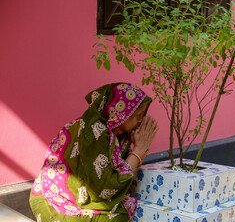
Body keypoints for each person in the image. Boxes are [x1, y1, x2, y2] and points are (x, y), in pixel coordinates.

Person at [29, 83, 159, 222]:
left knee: (126, 206)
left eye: (143, 114)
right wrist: (139, 149)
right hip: (54, 202)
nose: (141, 120)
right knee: (119, 215)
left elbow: (121, 173)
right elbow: (106, 188)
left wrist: (139, 147)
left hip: (84, 195)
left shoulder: (117, 133)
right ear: (118, 112)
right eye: (137, 115)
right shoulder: (95, 132)